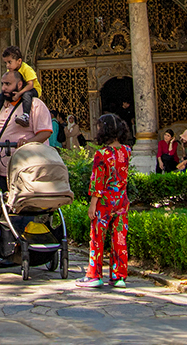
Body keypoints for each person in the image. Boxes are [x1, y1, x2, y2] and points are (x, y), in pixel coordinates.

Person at [77, 114, 132, 289]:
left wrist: (92, 204)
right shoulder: (126, 151)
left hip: (104, 202)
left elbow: (97, 181)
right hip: (121, 202)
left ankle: (94, 275)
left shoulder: (102, 154)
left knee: (97, 238)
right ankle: (119, 276)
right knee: (120, 239)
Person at [0, 69, 51, 176]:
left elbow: (45, 133)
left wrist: (27, 143)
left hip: (27, 169)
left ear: (19, 84)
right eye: (2, 84)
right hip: (2, 170)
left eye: (8, 84)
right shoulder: (1, 106)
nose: (4, 88)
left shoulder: (35, 104)